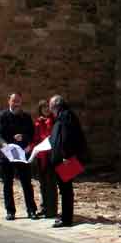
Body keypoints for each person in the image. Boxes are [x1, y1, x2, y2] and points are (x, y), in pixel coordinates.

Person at [0, 92, 38, 221]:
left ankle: (31, 210)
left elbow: (32, 134)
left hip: (22, 154)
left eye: (18, 101)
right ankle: (10, 211)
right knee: (7, 184)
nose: (16, 103)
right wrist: (6, 145)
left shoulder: (26, 117)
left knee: (26, 183)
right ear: (9, 101)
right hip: (6, 154)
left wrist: (24, 138)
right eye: (14, 101)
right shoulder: (1, 116)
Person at [48, 94, 88, 228]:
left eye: (50, 107)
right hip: (65, 158)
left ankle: (66, 219)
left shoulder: (65, 116)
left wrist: (65, 156)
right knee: (65, 188)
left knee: (65, 189)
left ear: (55, 106)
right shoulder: (64, 115)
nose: (50, 110)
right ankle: (66, 217)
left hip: (66, 159)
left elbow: (66, 138)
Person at [31, 99, 57, 219]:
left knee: (51, 183)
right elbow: (35, 139)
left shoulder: (54, 121)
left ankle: (52, 210)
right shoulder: (37, 123)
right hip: (41, 156)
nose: (46, 109)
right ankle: (44, 207)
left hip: (51, 156)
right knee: (43, 184)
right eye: (43, 107)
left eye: (48, 107)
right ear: (40, 110)